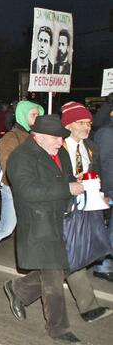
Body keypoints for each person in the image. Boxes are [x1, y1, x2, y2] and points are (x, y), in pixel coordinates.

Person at [4, 115, 84, 345]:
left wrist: (80, 185)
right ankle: (58, 329)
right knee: (53, 276)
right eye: (54, 138)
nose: (60, 142)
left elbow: (67, 179)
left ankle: (18, 289)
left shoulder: (60, 153)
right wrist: (66, 188)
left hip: (61, 220)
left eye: (61, 138)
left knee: (65, 268)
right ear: (36, 136)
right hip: (39, 223)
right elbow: (27, 191)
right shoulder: (21, 157)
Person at [57, 101, 111, 323]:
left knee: (76, 255)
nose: (87, 127)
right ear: (68, 125)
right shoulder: (58, 147)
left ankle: (21, 289)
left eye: (89, 122)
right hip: (64, 209)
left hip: (85, 208)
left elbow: (96, 173)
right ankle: (89, 308)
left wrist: (101, 194)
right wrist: (71, 182)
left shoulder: (90, 147)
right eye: (81, 122)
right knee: (72, 256)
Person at [0, 101, 44, 273]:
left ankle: (44, 268)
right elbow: (10, 167)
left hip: (35, 188)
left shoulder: (38, 137)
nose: (37, 118)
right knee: (7, 227)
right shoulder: (10, 138)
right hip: (12, 187)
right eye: (33, 115)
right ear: (22, 115)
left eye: (38, 114)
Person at [93, 101, 113, 280]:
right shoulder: (107, 132)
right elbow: (102, 164)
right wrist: (105, 192)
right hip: (110, 188)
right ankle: (102, 264)